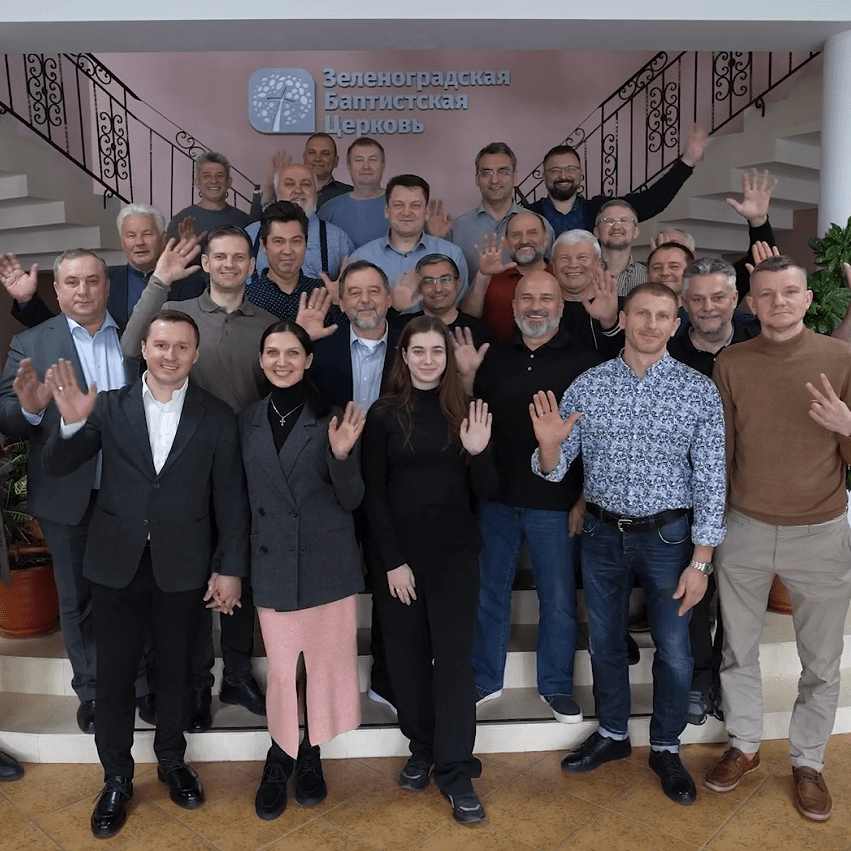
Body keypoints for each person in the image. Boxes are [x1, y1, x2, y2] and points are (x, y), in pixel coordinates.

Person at [42, 310, 248, 838]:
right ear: (145, 350)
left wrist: (229, 568)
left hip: (184, 565)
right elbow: (61, 464)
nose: (169, 355)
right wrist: (71, 423)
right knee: (114, 677)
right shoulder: (108, 406)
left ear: (195, 354)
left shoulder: (218, 416)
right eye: (160, 345)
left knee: (176, 672)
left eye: (181, 347)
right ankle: (116, 777)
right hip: (116, 563)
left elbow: (230, 500)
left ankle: (172, 760)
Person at [531, 282, 726, 806]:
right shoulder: (590, 385)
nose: (651, 324)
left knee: (675, 650)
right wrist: (548, 448)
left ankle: (665, 746)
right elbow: (554, 471)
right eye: (642, 313)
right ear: (626, 317)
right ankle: (614, 733)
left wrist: (702, 562)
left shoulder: (697, 391)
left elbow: (712, 479)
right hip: (600, 535)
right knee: (605, 641)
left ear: (675, 325)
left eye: (663, 316)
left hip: (670, 539)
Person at [706, 255, 851, 823]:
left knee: (822, 662)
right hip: (743, 528)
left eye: (790, 292)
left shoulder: (841, 359)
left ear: (808, 299)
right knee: (737, 651)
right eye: (766, 294)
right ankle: (743, 745)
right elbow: (722, 451)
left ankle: (808, 762)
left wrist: (846, 427)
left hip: (820, 532)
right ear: (751, 303)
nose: (778, 302)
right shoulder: (731, 362)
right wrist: (712, 528)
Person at [121, 225, 278, 730]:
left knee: (237, 569)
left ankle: (237, 674)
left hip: (246, 467)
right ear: (206, 263)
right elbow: (130, 347)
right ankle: (193, 683)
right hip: (181, 467)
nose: (230, 264)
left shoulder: (269, 323)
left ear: (251, 265)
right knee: (184, 578)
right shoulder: (178, 313)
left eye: (239, 256)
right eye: (220, 256)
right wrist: (160, 282)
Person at [0, 248, 154, 734]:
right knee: (77, 599)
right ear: (57, 289)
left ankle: (143, 684)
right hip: (66, 493)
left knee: (136, 591)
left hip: (132, 492)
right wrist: (30, 408)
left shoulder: (137, 336)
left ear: (107, 286)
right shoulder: (31, 341)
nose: (83, 290)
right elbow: (6, 413)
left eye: (92, 280)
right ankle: (92, 690)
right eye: (71, 282)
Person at [362, 315, 496, 824]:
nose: (427, 360)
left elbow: (487, 490)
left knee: (454, 665)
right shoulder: (382, 415)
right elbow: (373, 496)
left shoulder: (468, 411)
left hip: (454, 559)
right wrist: (393, 562)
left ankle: (456, 770)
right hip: (399, 562)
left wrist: (478, 453)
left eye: (436, 351)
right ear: (404, 356)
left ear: (448, 357)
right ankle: (422, 748)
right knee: (406, 660)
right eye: (417, 351)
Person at [456, 271, 602, 721]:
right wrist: (467, 379)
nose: (536, 306)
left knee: (558, 599)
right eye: (527, 298)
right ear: (514, 305)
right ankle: (485, 677)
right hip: (496, 499)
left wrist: (583, 499)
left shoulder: (586, 361)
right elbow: (474, 421)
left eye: (545, 298)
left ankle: (556, 685)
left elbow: (598, 440)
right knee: (489, 594)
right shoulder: (494, 357)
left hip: (557, 505)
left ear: (560, 305)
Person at [241, 320, 365, 820]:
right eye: (273, 352)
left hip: (327, 563)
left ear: (309, 360)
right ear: (261, 359)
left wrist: (342, 456)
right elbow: (237, 500)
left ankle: (310, 750)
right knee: (282, 668)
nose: (282, 362)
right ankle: (280, 755)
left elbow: (352, 498)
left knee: (323, 665)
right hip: (272, 561)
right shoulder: (246, 420)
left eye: (293, 352)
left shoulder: (334, 417)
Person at [667, 257, 759, 726]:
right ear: (683, 303)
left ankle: (726, 682)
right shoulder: (668, 353)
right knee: (694, 591)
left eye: (718, 297)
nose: (708, 307)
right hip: (685, 495)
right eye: (698, 298)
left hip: (749, 491)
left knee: (738, 595)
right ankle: (699, 681)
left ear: (735, 299)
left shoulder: (759, 343)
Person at [6, 203, 205, 330]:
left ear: (162, 239)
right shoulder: (100, 281)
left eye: (147, 234)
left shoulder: (192, 282)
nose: (139, 242)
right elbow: (61, 331)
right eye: (131, 236)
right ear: (122, 243)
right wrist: (26, 300)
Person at [528, 126, 708, 238]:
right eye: (555, 170)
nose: (563, 175)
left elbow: (652, 201)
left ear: (581, 175)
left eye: (570, 169)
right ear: (544, 176)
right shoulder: (528, 215)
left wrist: (686, 162)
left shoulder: (601, 209)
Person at [350, 174, 468, 308]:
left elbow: (460, 310)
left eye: (415, 205)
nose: (406, 212)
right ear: (387, 211)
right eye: (398, 205)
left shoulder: (452, 254)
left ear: (426, 212)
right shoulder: (361, 258)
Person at [427, 142, 540, 279]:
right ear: (477, 179)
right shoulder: (456, 229)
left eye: (503, 171)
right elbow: (439, 277)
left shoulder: (540, 226)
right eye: (486, 173)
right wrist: (436, 239)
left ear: (515, 176)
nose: (494, 180)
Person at [246, 161, 353, 281]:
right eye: (289, 184)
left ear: (316, 191)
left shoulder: (339, 240)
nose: (298, 190)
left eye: (306, 184)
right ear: (276, 190)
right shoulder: (250, 235)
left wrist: (341, 291)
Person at [245, 201, 344, 328]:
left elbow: (345, 336)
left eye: (296, 241)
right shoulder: (248, 299)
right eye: (278, 241)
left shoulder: (323, 294)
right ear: (264, 245)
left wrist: (338, 302)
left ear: (306, 243)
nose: (288, 251)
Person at [461, 210, 552, 342]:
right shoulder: (492, 277)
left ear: (546, 238)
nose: (524, 240)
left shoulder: (560, 276)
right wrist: (483, 276)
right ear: (507, 242)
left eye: (532, 233)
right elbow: (467, 321)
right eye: (516, 235)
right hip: (498, 353)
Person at [403, 253, 492, 348]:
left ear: (457, 285)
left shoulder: (481, 331)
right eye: (428, 281)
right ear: (419, 289)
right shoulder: (402, 328)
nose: (438, 289)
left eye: (445, 280)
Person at [317, 137, 389, 247]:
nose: (366, 166)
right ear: (349, 166)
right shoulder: (329, 210)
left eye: (372, 160)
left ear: (383, 165)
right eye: (359, 160)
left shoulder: (400, 206)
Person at [166, 152, 252, 239]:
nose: (214, 181)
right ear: (197, 182)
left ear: (229, 182)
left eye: (220, 176)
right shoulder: (182, 221)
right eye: (207, 176)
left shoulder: (244, 220)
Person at [593, 199, 646, 296]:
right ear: (596, 232)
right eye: (608, 221)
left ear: (636, 232)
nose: (616, 227)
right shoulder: (584, 274)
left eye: (624, 221)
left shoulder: (648, 276)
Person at [304, 132, 353, 209]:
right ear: (304, 158)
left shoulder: (351, 195)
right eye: (312, 153)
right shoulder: (289, 192)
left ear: (336, 161)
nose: (317, 159)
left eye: (325, 153)